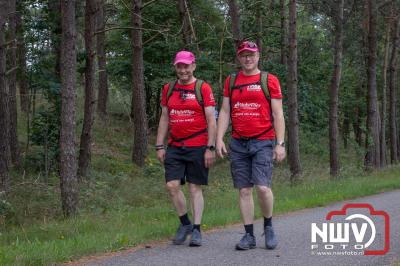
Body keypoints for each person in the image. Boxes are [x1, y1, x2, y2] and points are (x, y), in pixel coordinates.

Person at [216, 41, 286, 250]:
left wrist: (280, 143)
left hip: (263, 140)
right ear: (239, 58)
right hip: (238, 142)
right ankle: (248, 235)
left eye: (251, 54)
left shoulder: (269, 80)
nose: (248, 58)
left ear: (258, 56)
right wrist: (219, 138)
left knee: (263, 187)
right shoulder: (232, 80)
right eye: (243, 55)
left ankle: (269, 226)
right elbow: (225, 111)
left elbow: (278, 114)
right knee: (244, 190)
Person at [155, 50, 216, 247]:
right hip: (175, 145)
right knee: (172, 185)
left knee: (194, 187)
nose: (183, 70)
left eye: (186, 66)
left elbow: (211, 120)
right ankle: (185, 223)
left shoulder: (202, 88)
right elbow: (164, 117)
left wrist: (211, 147)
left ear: (193, 66)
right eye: (179, 66)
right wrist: (159, 145)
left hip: (198, 145)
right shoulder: (168, 88)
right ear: (175, 67)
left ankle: (197, 229)